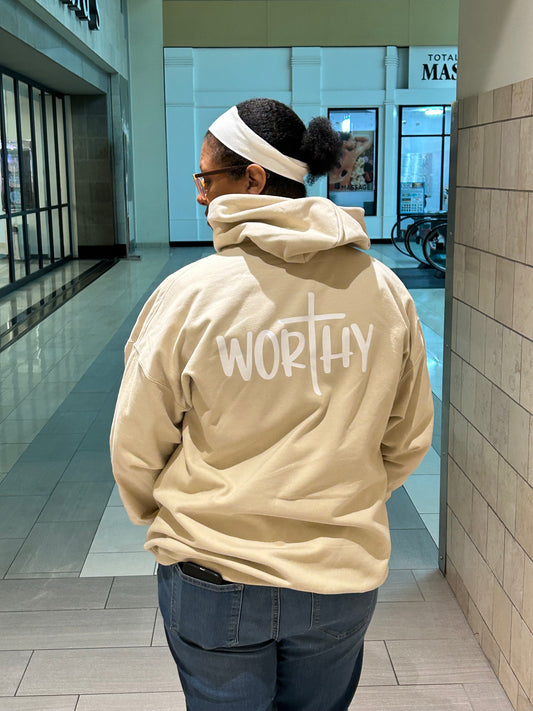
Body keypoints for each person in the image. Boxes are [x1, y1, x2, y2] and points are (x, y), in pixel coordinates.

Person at [110, 98, 434, 711]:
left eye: (206, 178)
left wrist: (180, 516)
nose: (201, 197)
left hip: (212, 574)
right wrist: (337, 497)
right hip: (338, 574)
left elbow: (135, 442)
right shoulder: (383, 291)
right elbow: (409, 435)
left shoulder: (187, 297)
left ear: (253, 179)